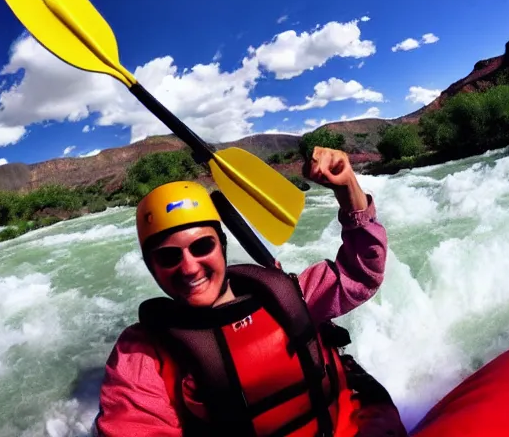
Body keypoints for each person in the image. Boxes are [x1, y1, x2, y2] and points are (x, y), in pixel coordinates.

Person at [93, 146, 407, 436]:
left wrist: (348, 189)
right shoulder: (143, 354)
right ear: (151, 266)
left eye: (202, 246)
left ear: (222, 246)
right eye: (168, 256)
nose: (189, 267)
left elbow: (361, 273)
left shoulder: (283, 294)